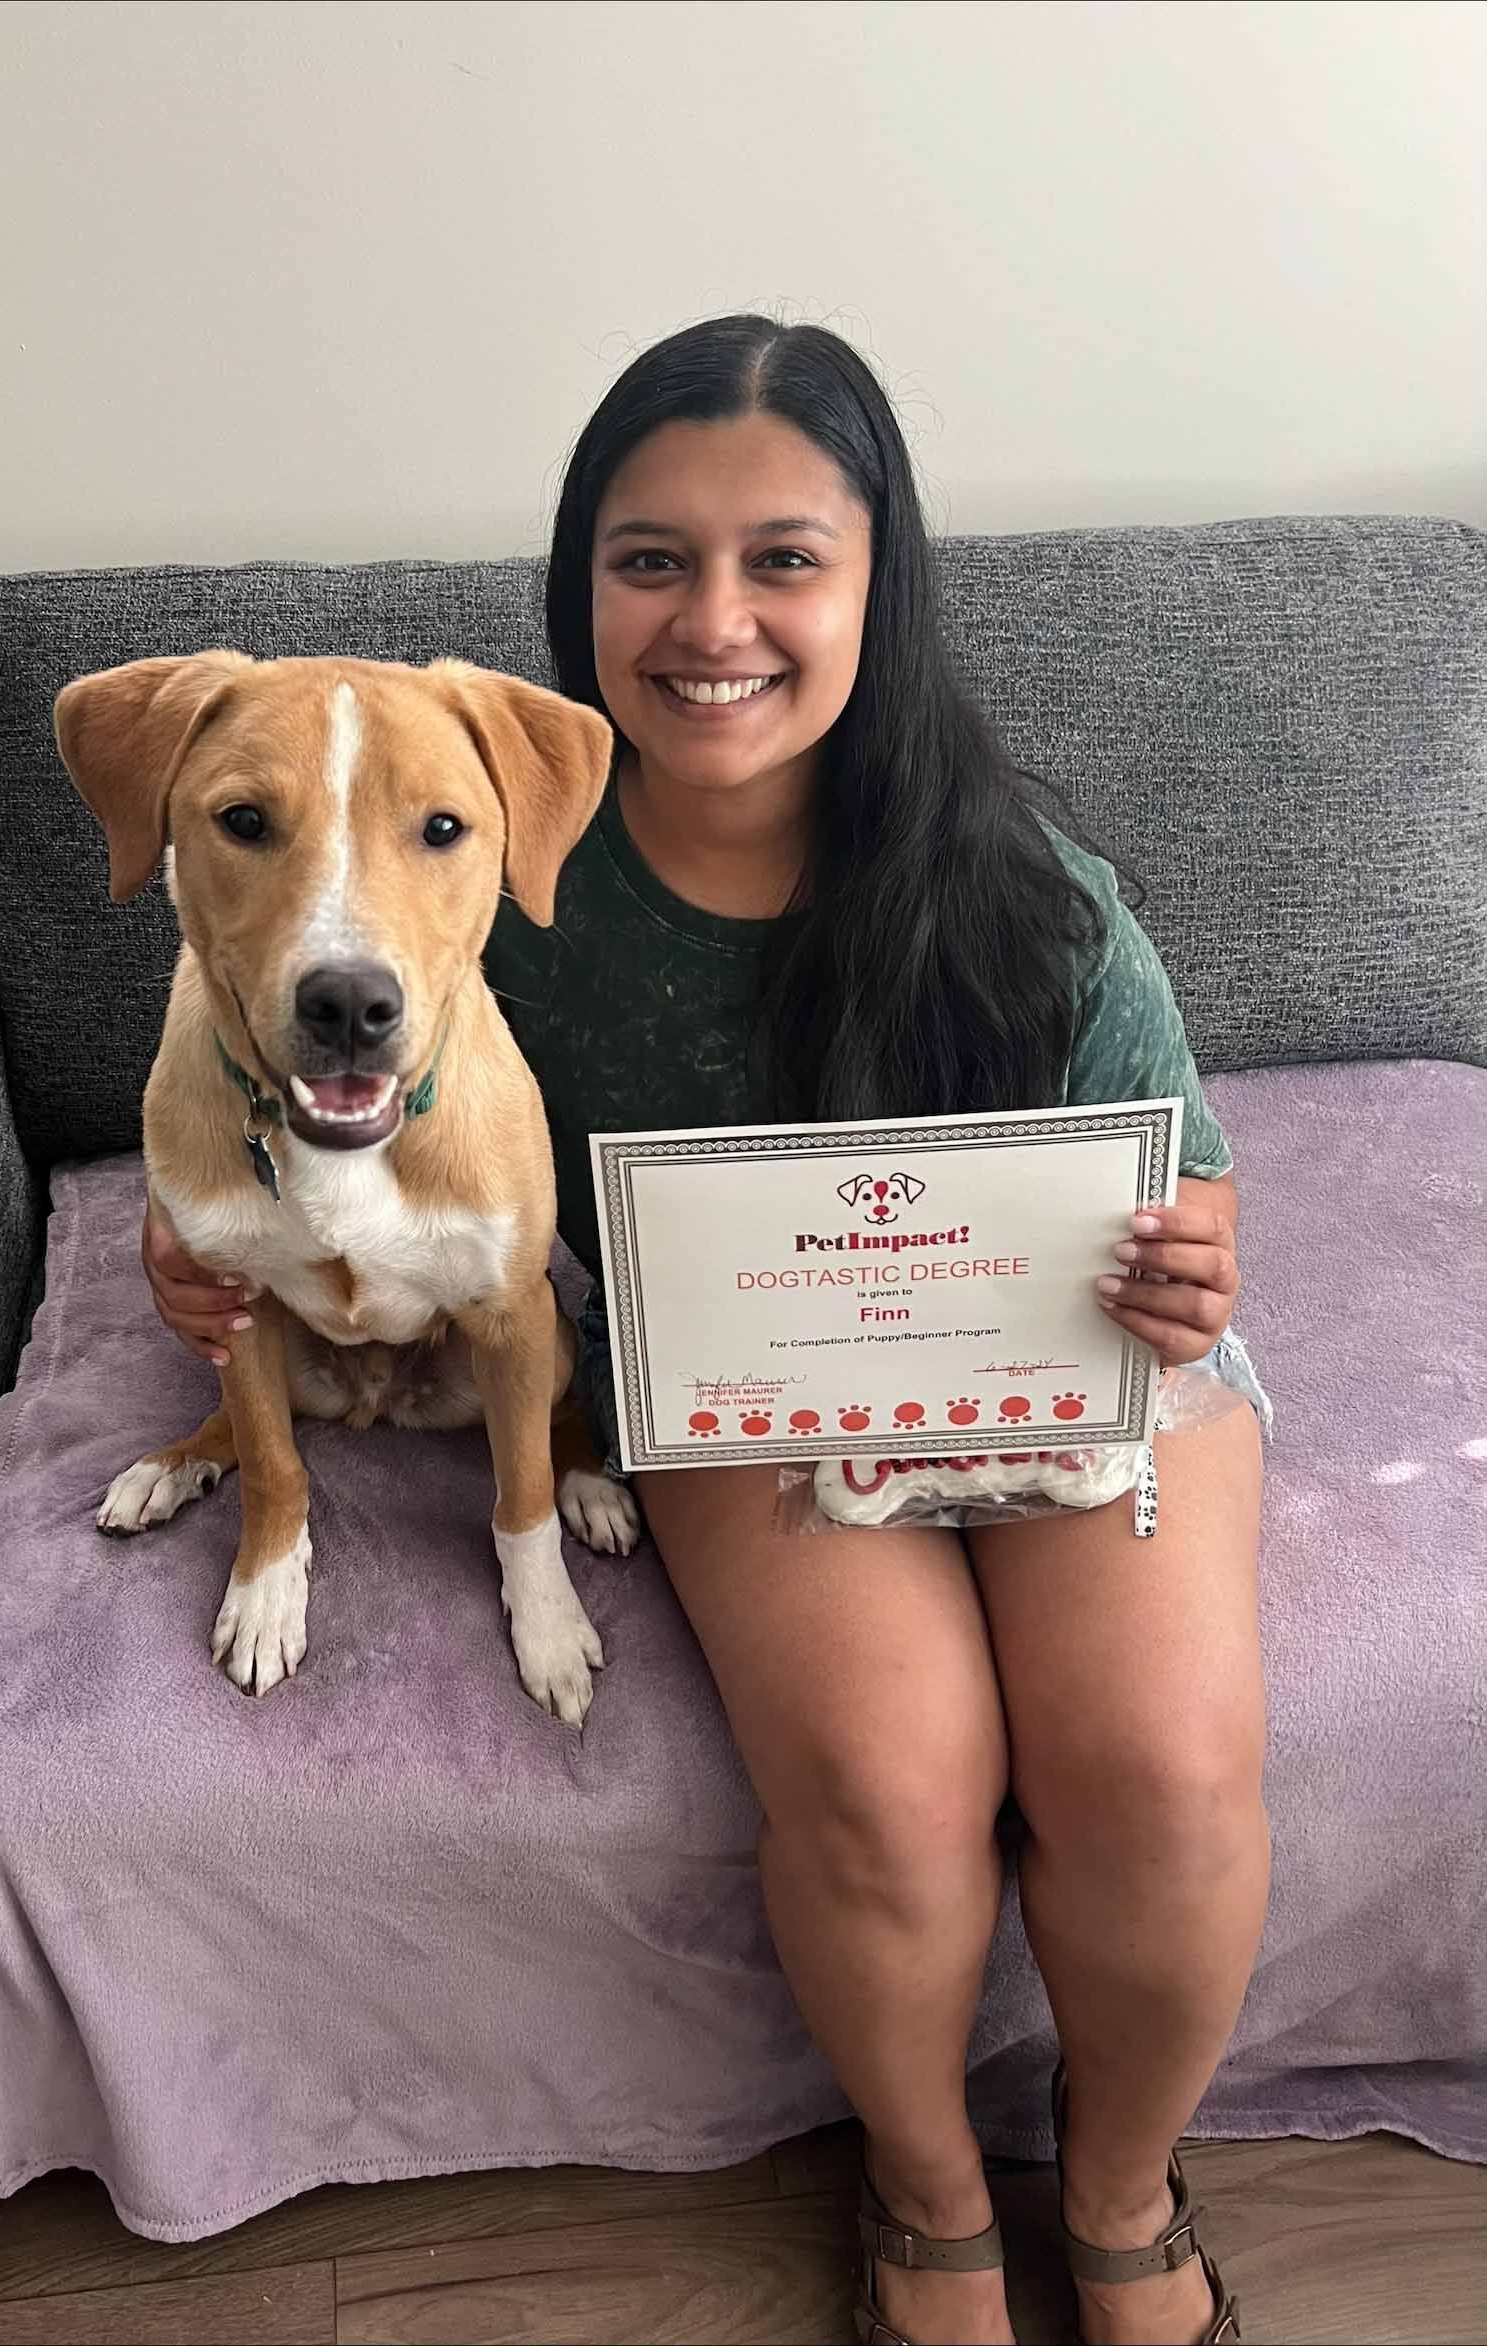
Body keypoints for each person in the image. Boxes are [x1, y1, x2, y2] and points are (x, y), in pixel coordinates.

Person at [143, 316, 1271, 2346]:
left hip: (1066, 1348)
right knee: (879, 1779)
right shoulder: (474, 867)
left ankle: (1113, 2197)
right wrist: (217, 1257)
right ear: (581, 587)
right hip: (735, 1373)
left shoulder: (1019, 886)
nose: (711, 620)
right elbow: (317, 1109)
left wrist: (1189, 1269)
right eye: (649, 559)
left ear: (873, 587)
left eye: (783, 560)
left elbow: (1181, 1198)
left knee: (1159, 1771)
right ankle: (926, 2203)